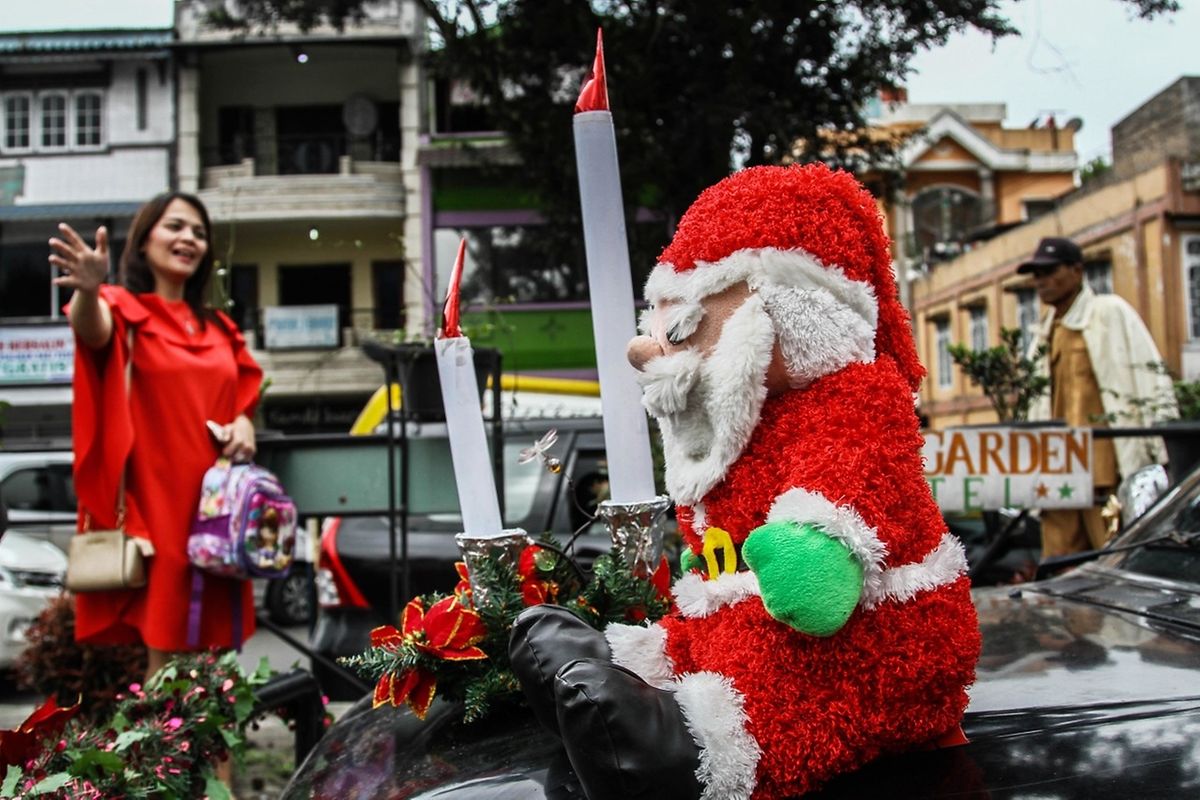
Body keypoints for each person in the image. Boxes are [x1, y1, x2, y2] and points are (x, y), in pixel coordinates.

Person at [50, 192, 263, 682]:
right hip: (160, 507)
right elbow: (93, 331)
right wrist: (87, 288)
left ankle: (222, 763)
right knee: (165, 657)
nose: (188, 238)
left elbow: (243, 397)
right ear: (144, 241)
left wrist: (245, 423)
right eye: (175, 227)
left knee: (222, 661)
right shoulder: (120, 309)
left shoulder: (221, 328)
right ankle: (167, 759)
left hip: (220, 512)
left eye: (199, 232)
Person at [1018, 236, 1176, 558]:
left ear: (1077, 270)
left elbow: (1150, 377)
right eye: (1036, 274)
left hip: (1105, 471)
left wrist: (1162, 444)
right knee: (1058, 566)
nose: (1041, 281)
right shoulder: (1041, 336)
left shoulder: (1110, 313)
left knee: (1115, 560)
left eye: (1049, 271)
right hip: (1056, 473)